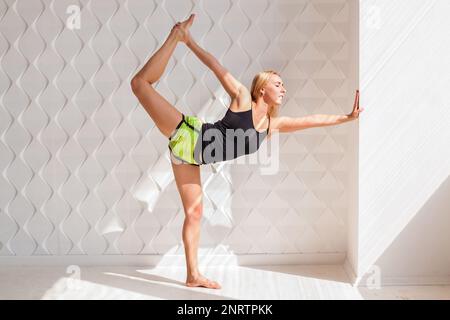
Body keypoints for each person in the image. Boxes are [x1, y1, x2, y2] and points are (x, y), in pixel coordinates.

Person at [130, 14, 363, 289]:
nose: (283, 88)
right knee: (139, 85)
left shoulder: (270, 126)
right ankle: (175, 36)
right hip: (187, 134)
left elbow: (308, 121)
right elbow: (216, 67)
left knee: (194, 214)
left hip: (190, 159)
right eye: (278, 84)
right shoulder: (242, 98)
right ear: (262, 87)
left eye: (283, 85)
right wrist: (188, 41)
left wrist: (346, 118)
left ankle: (193, 276)